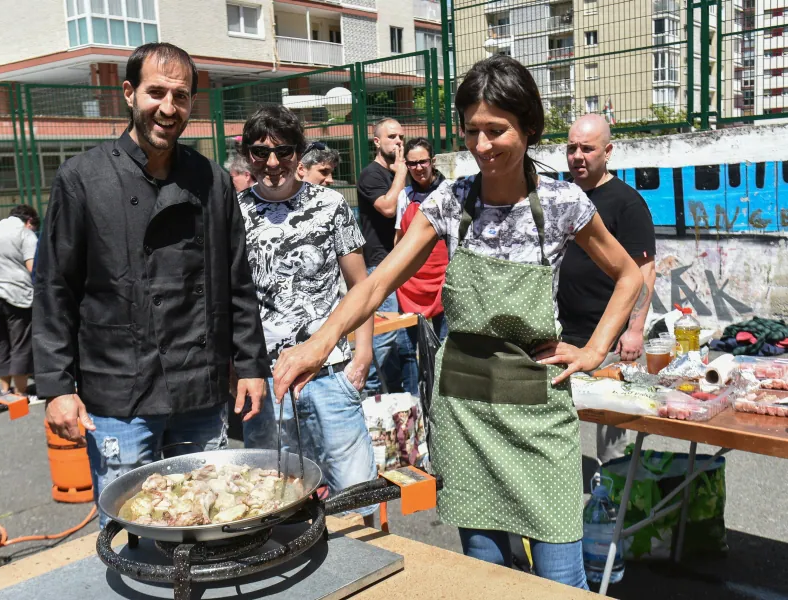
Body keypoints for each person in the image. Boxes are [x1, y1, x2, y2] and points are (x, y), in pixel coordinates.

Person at [272, 56, 642, 588]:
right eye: (472, 131)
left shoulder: (562, 202)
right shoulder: (453, 199)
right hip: (464, 410)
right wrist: (319, 342)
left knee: (562, 581)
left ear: (529, 127)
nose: (483, 146)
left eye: (497, 130)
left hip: (539, 411)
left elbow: (629, 276)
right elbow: (375, 284)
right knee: (485, 578)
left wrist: (594, 350)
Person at [33, 43, 269, 525]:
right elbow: (54, 286)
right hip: (120, 391)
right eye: (155, 92)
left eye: (180, 96)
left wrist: (249, 364)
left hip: (199, 389)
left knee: (210, 516)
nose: (168, 107)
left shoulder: (212, 179)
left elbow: (237, 280)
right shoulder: (82, 178)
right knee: (132, 528)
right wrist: (57, 386)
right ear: (128, 93)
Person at [237, 106, 377, 515]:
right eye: (260, 153)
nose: (273, 163)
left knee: (356, 496)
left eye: (283, 151)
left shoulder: (331, 205)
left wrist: (363, 354)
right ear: (248, 155)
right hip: (269, 380)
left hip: (331, 375)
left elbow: (361, 285)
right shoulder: (235, 212)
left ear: (299, 153)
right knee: (274, 498)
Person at [559, 114, 657, 464]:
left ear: (608, 151)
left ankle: (615, 498)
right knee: (560, 419)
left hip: (611, 337)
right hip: (565, 332)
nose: (577, 156)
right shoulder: (563, 195)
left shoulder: (626, 202)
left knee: (612, 431)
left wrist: (634, 330)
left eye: (587, 148)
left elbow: (645, 271)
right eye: (571, 148)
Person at [356, 117, 409, 394]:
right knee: (384, 339)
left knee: (404, 343)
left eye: (401, 137)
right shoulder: (372, 175)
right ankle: (372, 401)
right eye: (392, 137)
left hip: (403, 264)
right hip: (380, 264)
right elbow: (387, 208)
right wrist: (401, 173)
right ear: (377, 142)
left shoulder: (400, 172)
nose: (398, 142)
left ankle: (399, 407)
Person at [394, 138, 449, 395]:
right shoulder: (404, 197)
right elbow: (399, 240)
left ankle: (441, 397)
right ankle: (414, 400)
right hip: (410, 285)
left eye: (422, 162)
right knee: (406, 348)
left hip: (442, 282)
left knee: (443, 346)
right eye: (412, 163)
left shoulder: (449, 191)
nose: (418, 168)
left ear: (432, 161)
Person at [0, 204, 40, 400]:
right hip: (17, 294)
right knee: (21, 343)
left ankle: (5, 389)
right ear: (30, 221)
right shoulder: (25, 233)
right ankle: (22, 392)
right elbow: (34, 268)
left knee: (3, 340)